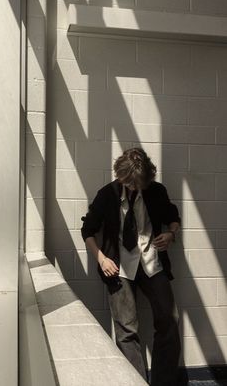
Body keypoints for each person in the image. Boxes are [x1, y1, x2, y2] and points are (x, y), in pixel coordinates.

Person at [81, 148, 181, 386]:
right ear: (121, 175)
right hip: (119, 269)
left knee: (169, 320)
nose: (134, 188)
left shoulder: (156, 192)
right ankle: (135, 382)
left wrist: (171, 234)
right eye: (129, 183)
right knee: (127, 330)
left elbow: (172, 215)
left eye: (138, 185)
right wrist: (101, 258)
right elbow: (88, 231)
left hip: (151, 264)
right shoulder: (107, 194)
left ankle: (163, 382)